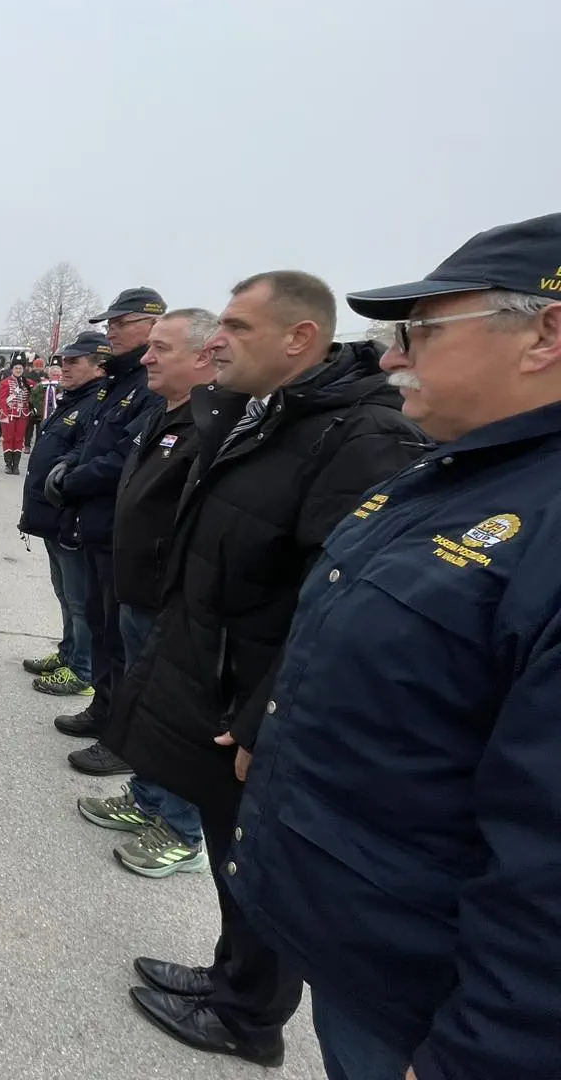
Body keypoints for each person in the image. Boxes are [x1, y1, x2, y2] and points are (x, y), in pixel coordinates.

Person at [228, 213, 561, 1080]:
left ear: (546, 334)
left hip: (436, 1015)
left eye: (418, 330)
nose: (389, 357)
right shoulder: (452, 475)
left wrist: (481, 1058)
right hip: (368, 956)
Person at [103, 271, 427, 1066]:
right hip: (225, 678)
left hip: (257, 702)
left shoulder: (356, 436)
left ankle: (249, 1017)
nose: (218, 340)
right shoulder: (270, 415)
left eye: (238, 329)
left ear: (300, 339)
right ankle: (229, 979)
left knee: (257, 864)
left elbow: (339, 597)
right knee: (232, 857)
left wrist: (263, 716)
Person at [75, 309, 217, 879]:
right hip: (138, 588)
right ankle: (147, 799)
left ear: (204, 357)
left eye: (162, 348)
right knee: (145, 704)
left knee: (173, 716)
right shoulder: (167, 413)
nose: (148, 358)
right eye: (149, 347)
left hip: (170, 598)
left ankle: (181, 832)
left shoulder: (214, 425)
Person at [44, 287, 167, 765]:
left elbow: (125, 458)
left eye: (122, 322)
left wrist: (72, 478)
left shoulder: (147, 384)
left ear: (153, 325)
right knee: (99, 625)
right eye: (110, 323)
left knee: (121, 638)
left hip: (121, 529)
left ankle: (121, 735)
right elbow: (93, 439)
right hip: (93, 526)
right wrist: (68, 467)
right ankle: (103, 708)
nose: (111, 330)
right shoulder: (119, 382)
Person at [19, 332, 111, 696]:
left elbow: (87, 457)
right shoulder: (76, 399)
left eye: (74, 362)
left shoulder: (97, 403)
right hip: (52, 517)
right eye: (63, 361)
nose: (63, 368)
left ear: (99, 365)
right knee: (64, 592)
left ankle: (82, 670)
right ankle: (69, 652)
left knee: (79, 598)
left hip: (70, 518)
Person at [0, 355, 33, 473]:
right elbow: (2, 400)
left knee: (19, 439)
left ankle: (16, 465)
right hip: (9, 414)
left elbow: (34, 396)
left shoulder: (28, 383)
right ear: (12, 369)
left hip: (23, 415)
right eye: (16, 368)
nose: (18, 370)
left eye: (20, 368)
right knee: (8, 438)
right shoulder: (5, 383)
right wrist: (4, 414)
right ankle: (8, 464)